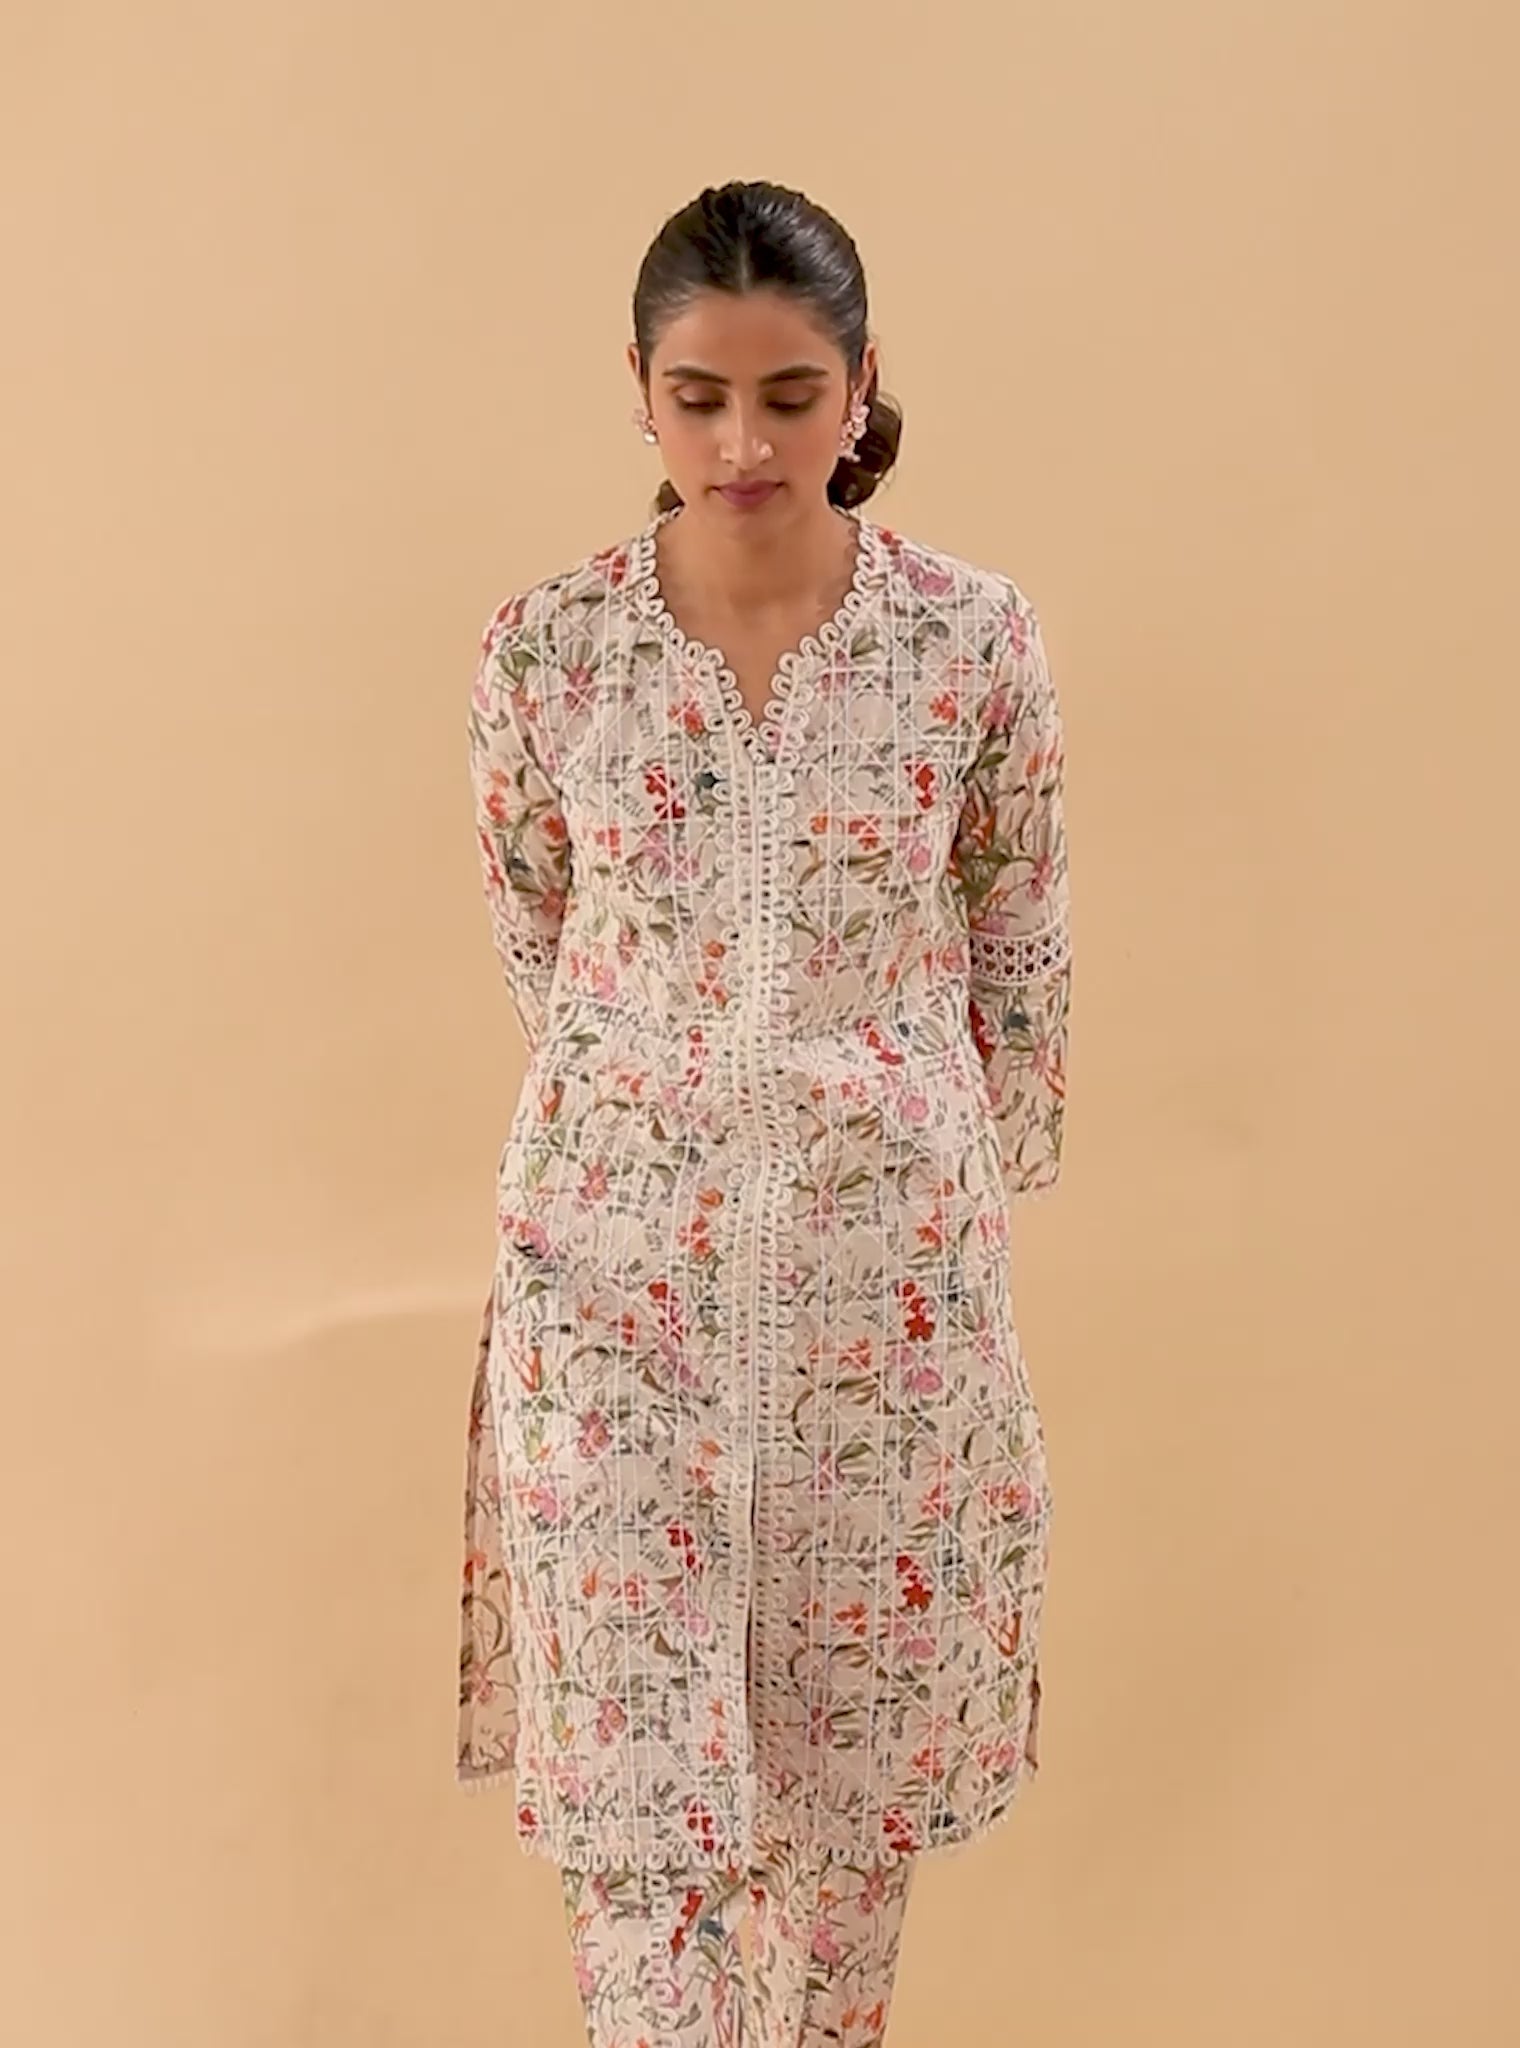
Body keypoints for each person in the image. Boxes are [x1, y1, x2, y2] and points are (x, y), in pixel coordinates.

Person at [456, 179, 1072, 2048]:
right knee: (646, 1850)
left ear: (862, 388)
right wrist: (671, 1120)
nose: (743, 443)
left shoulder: (971, 643)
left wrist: (894, 1168)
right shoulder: (548, 652)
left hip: (883, 1316)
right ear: (638, 393)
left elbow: (1019, 957)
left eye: (792, 396)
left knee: (841, 1850)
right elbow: (540, 933)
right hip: (610, 1304)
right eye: (700, 396)